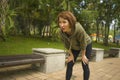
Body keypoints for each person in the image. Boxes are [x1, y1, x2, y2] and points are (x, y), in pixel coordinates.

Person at [57, 11, 92, 80]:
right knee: (70, 63)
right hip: (75, 46)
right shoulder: (60, 32)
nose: (61, 25)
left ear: (70, 22)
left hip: (86, 44)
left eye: (64, 22)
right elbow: (66, 44)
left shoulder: (78, 28)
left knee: (84, 64)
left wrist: (83, 55)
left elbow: (83, 43)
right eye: (60, 22)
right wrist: (71, 55)